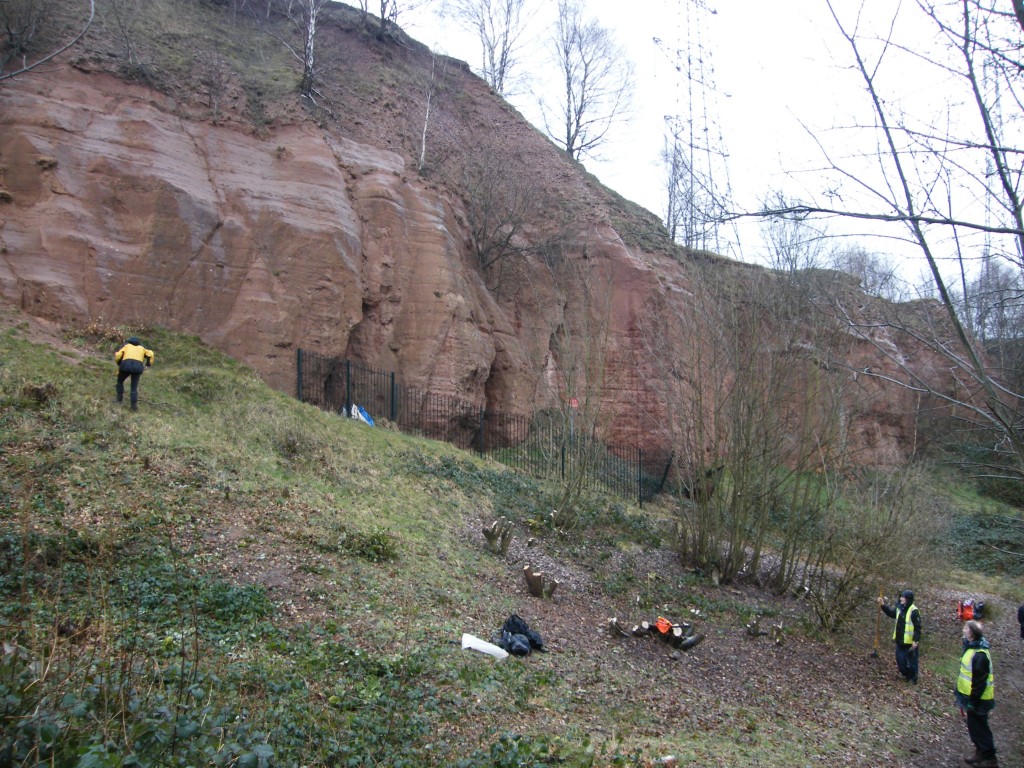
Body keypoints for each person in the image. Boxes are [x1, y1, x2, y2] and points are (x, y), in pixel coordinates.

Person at [956, 620, 998, 767]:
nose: (963, 630)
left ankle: (989, 757)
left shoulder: (980, 654)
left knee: (980, 728)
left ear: (972, 633)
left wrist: (972, 703)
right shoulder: (971, 648)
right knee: (974, 727)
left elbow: (980, 682)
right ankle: (980, 753)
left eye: (966, 628)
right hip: (971, 697)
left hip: (979, 699)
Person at [877, 589, 921, 683]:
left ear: (908, 599)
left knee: (912, 662)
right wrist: (883, 605)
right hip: (900, 641)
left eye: (903, 597)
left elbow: (918, 628)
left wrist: (915, 641)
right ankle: (908, 675)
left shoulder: (914, 611)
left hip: (910, 643)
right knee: (900, 662)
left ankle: (913, 678)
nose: (901, 599)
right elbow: (891, 613)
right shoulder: (899, 608)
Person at [114, 336, 154, 411]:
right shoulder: (142, 348)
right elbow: (151, 354)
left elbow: (118, 355)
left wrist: (119, 363)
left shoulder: (126, 346)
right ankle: (133, 406)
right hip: (138, 367)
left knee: (120, 381)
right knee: (134, 387)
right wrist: (148, 365)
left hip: (125, 366)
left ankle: (119, 400)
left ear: (129, 341)